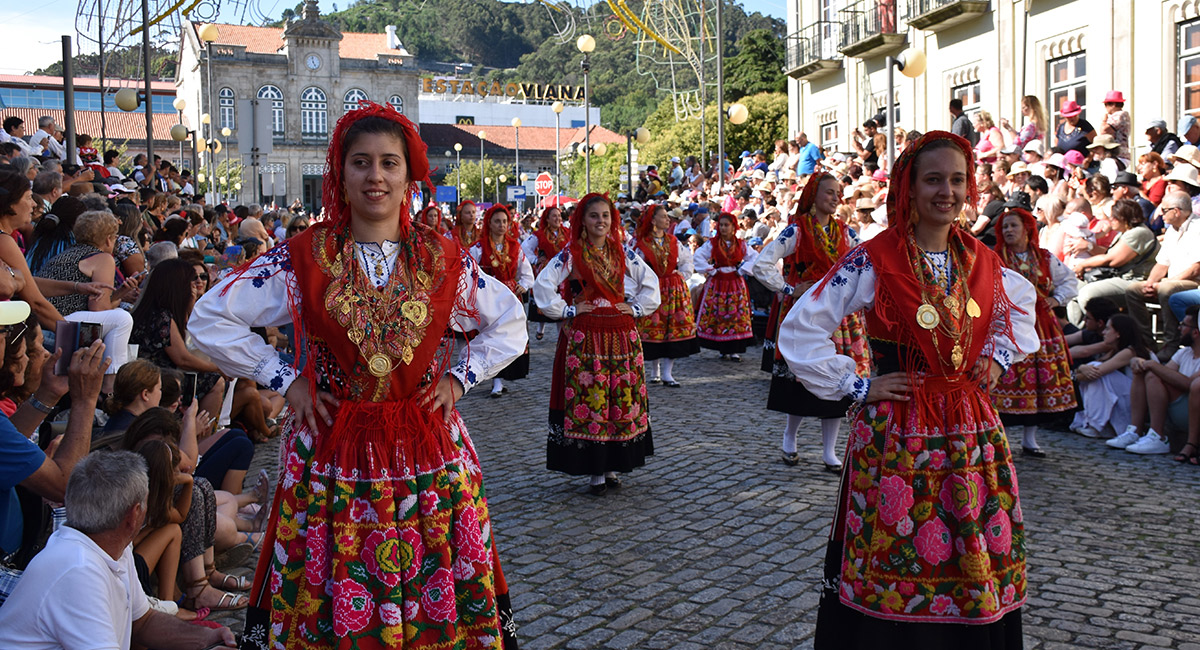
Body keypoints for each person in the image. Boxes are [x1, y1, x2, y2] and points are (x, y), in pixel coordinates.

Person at [189, 102, 526, 648]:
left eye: (390, 163)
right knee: (330, 583)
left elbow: (510, 322)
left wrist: (460, 377)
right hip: (331, 446)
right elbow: (209, 319)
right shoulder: (302, 257)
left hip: (425, 444)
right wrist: (285, 380)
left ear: (409, 175)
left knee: (432, 577)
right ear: (340, 175)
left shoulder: (443, 257)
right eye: (362, 163)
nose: (376, 176)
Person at [779, 131, 1038, 647]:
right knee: (898, 547)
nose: (948, 191)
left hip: (970, 427)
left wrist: (997, 357)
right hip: (900, 428)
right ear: (908, 187)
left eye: (958, 180)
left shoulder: (981, 260)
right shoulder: (874, 259)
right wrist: (858, 385)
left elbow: (1023, 315)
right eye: (934, 179)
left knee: (970, 548)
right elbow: (801, 328)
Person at [0, 450, 237, 649]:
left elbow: (142, 622)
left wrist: (206, 639)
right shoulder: (78, 568)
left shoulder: (111, 547)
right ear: (134, 515)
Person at [533, 193, 660, 496]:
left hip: (619, 333)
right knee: (591, 398)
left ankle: (613, 465)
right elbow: (543, 284)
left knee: (617, 396)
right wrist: (566, 310)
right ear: (582, 221)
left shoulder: (623, 252)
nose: (600, 221)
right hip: (585, 335)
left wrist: (637, 307)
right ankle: (594, 471)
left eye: (605, 215)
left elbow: (650, 282)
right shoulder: (570, 253)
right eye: (594, 216)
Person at [753, 173, 869, 470]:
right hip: (807, 315)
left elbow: (868, 264)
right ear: (813, 196)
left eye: (838, 193)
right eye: (830, 192)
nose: (835, 198)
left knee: (839, 379)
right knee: (802, 380)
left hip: (840, 317)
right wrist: (790, 289)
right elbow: (762, 263)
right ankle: (789, 438)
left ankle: (829, 451)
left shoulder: (847, 234)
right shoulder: (797, 232)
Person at [990, 207, 1079, 456]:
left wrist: (1056, 299)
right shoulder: (995, 257)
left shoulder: (1045, 258)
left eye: (1013, 226)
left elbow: (1069, 281)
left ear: (1027, 230)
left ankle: (1030, 440)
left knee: (1040, 379)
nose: (1008, 230)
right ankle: (1002, 438)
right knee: (1007, 377)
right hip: (1008, 323)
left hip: (1041, 325)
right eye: (1004, 227)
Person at [1108, 304, 1200, 460]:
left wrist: (1152, 364)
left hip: (1191, 413)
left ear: (1196, 332)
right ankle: (1135, 430)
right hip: (1176, 409)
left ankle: (1158, 436)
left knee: (1153, 374)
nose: (1179, 328)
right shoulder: (1183, 352)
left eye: (1183, 325)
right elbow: (1167, 372)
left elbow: (1189, 385)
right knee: (1147, 372)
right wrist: (1143, 363)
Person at [630, 202, 699, 386]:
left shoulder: (673, 241)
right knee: (654, 328)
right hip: (653, 289)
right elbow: (634, 268)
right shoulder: (642, 244)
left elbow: (686, 260)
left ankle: (668, 373)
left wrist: (682, 275)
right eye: (663, 216)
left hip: (673, 290)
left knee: (672, 328)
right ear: (653, 220)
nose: (667, 219)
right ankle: (655, 370)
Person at [469, 204, 534, 397]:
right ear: (489, 223)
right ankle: (495, 381)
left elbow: (526, 272)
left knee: (509, 336)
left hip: (511, 298)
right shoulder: (479, 247)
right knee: (492, 336)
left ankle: (505, 375)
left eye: (505, 221)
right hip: (490, 298)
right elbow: (469, 272)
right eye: (497, 221)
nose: (501, 225)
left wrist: (524, 284)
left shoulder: (515, 246)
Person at [1124, 191, 1200, 356]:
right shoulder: (1172, 230)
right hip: (1172, 280)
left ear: (1177, 211)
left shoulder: (1197, 229)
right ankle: (1145, 343)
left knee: (1167, 290)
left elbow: (1195, 268)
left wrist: (1165, 283)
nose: (1159, 213)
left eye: (1164, 210)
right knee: (1133, 290)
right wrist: (1151, 282)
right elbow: (1162, 263)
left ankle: (1171, 343)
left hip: (1193, 282)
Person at [1069, 314, 1150, 439]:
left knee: (1096, 369)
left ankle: (1096, 425)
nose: (1104, 332)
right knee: (1093, 367)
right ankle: (1095, 423)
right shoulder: (1114, 350)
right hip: (1127, 396)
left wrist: (1077, 372)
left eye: (1108, 329)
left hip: (1139, 399)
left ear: (1118, 333)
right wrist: (1081, 369)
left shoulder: (1130, 351)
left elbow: (1096, 372)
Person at [693, 212, 755, 360]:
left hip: (735, 281)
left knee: (735, 313)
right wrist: (712, 271)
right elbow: (698, 256)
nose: (723, 228)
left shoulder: (741, 244)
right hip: (718, 282)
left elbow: (754, 258)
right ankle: (722, 347)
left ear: (734, 227)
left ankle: (734, 349)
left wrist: (742, 270)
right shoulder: (712, 244)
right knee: (719, 313)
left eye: (727, 225)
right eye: (721, 225)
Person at [522, 206, 569, 341]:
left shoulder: (567, 232)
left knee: (561, 300)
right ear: (547, 219)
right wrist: (535, 259)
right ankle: (540, 327)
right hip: (547, 270)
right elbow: (525, 248)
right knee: (544, 299)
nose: (557, 219)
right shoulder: (539, 235)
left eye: (559, 216)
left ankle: (561, 334)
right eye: (554, 216)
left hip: (562, 272)